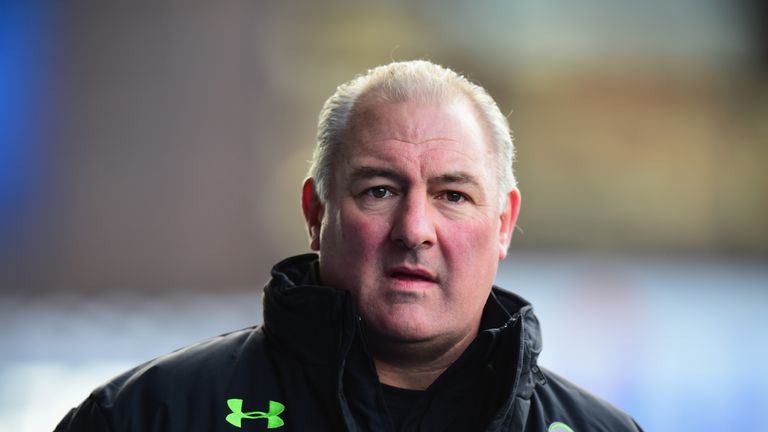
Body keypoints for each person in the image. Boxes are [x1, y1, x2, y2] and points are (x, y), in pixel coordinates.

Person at [55, 60, 643, 432]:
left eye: (453, 195)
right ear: (316, 212)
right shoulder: (147, 416)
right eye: (380, 190)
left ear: (504, 224)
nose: (415, 229)